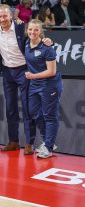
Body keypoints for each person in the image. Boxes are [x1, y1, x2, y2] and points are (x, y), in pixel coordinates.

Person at [0, 4, 52, 154]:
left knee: (27, 108)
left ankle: (29, 143)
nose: (2, 19)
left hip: (24, 71)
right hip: (7, 72)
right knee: (10, 108)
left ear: (11, 16)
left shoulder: (20, 27)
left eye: (5, 16)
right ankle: (13, 141)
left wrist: (47, 40)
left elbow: (35, 35)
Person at [25, 20, 63, 158]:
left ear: (40, 31)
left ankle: (48, 146)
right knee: (34, 112)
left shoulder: (47, 48)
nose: (32, 32)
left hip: (49, 84)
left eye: (35, 30)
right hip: (35, 84)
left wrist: (32, 75)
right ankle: (49, 140)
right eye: (30, 29)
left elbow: (51, 71)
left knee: (49, 115)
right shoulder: (26, 44)